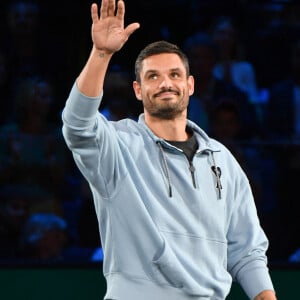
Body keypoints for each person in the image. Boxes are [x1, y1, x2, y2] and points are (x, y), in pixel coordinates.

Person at [62, 1, 276, 299]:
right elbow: (77, 126)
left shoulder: (222, 159)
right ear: (138, 90)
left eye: (175, 75)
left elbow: (247, 250)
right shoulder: (117, 146)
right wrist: (101, 54)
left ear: (190, 85)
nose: (165, 83)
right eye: (153, 76)